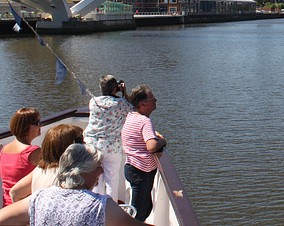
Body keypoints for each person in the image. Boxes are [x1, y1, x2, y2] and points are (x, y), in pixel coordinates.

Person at [0, 144, 151, 225]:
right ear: (83, 173)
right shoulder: (100, 206)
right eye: (98, 167)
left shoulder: (38, 199)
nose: (101, 171)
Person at [83, 75, 134, 201]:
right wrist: (124, 92)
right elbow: (133, 109)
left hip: (92, 146)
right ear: (115, 88)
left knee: (96, 179)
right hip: (112, 147)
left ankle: (96, 206)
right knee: (112, 179)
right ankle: (111, 210)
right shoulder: (121, 104)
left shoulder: (93, 102)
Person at [121, 85, 166, 222]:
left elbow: (141, 137)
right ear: (142, 104)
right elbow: (152, 146)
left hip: (132, 168)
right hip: (141, 171)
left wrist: (152, 135)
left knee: (145, 208)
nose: (156, 100)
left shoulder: (131, 116)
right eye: (152, 98)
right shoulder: (145, 121)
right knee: (139, 213)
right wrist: (162, 141)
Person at [9, 124, 83, 202]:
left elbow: (15, 193)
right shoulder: (69, 174)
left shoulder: (40, 169)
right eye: (79, 140)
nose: (84, 143)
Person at [0, 108, 42, 207]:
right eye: (37, 123)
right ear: (26, 127)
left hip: (7, 208)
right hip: (25, 209)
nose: (41, 125)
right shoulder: (34, 152)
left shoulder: (4, 150)